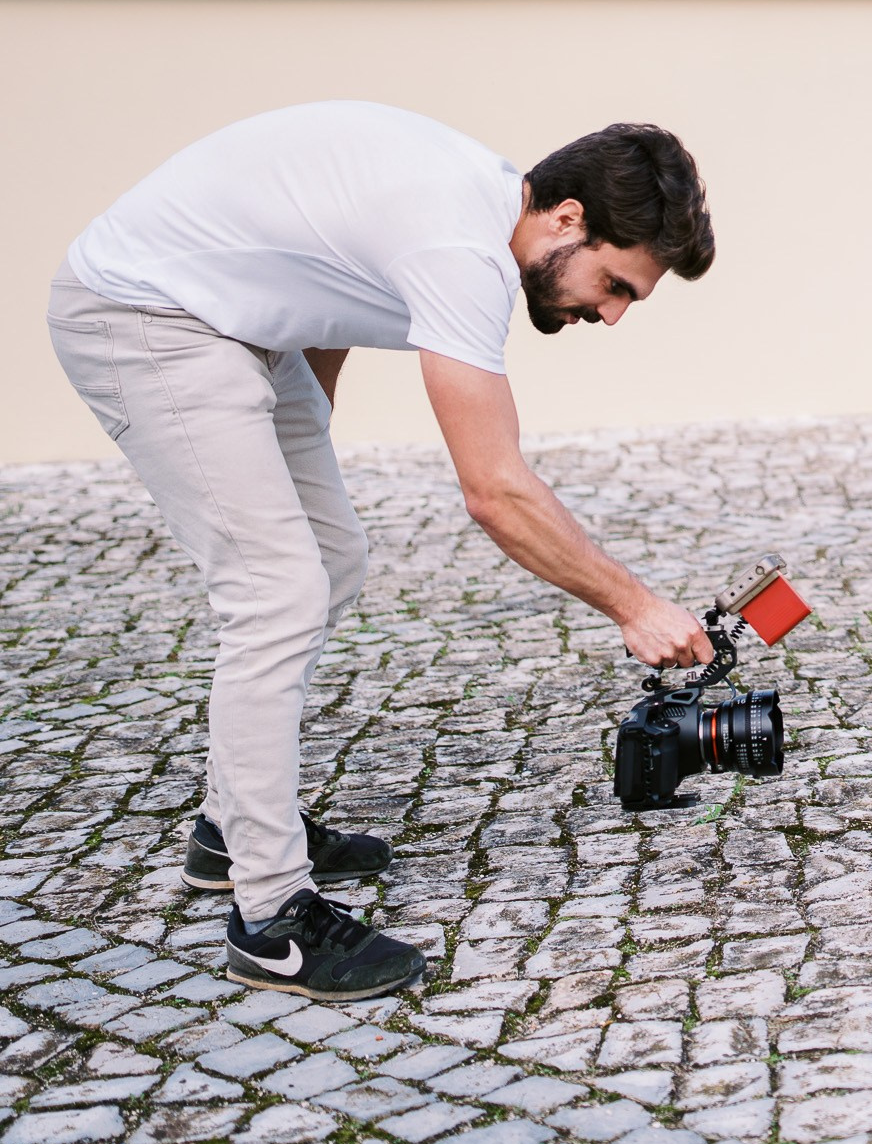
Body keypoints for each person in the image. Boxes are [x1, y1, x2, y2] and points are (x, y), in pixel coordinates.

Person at [48, 103, 719, 1002]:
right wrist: (635, 606)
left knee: (331, 554)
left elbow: (327, 285)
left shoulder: (476, 207)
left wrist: (293, 443)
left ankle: (230, 827)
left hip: (237, 330)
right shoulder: (463, 250)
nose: (612, 313)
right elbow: (496, 490)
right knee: (278, 590)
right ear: (568, 217)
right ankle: (271, 917)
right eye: (616, 284)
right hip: (143, 313)